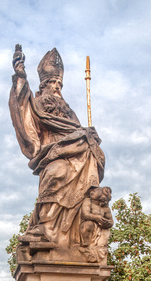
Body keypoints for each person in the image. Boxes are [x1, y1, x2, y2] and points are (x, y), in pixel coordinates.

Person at [9, 45, 106, 254]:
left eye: (59, 83)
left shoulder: (67, 109)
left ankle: (71, 236)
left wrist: (88, 135)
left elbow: (75, 129)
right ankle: (45, 228)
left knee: (83, 167)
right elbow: (23, 108)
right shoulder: (38, 104)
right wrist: (20, 78)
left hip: (76, 153)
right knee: (56, 172)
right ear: (43, 85)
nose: (57, 86)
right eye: (52, 82)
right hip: (51, 152)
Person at [80, 186, 113, 262]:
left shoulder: (105, 208)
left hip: (101, 228)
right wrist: (96, 217)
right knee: (88, 225)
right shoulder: (88, 201)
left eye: (97, 190)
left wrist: (106, 223)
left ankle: (97, 252)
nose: (93, 191)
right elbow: (85, 214)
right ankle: (85, 245)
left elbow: (111, 222)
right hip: (88, 225)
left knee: (105, 234)